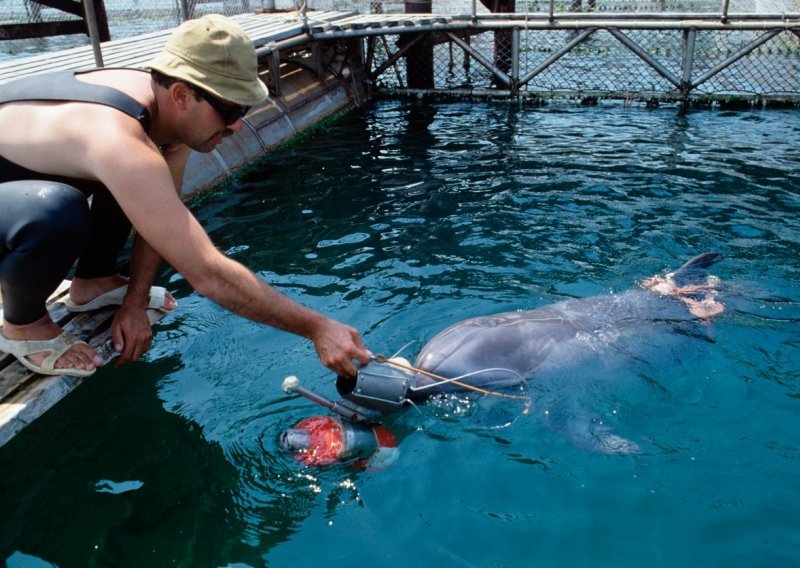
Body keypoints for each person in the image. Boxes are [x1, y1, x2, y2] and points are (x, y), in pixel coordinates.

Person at [0, 14, 371, 378]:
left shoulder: (163, 117)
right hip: (23, 201)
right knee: (56, 210)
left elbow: (162, 215)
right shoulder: (116, 137)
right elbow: (207, 274)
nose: (238, 125)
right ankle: (23, 324)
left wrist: (136, 302)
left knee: (141, 184)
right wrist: (317, 327)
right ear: (182, 94)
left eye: (244, 109)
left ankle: (93, 280)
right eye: (230, 110)